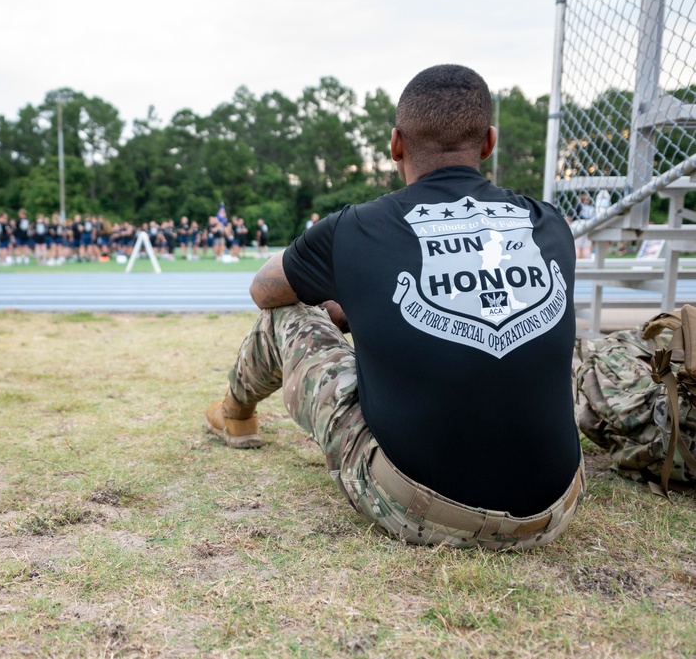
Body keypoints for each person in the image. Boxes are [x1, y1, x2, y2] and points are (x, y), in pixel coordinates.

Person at [204, 65, 583, 549]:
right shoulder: (548, 221)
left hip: (421, 508)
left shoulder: (355, 228)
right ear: (488, 143)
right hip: (553, 510)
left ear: (395, 145)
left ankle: (235, 413)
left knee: (287, 313)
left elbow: (264, 290)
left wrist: (347, 303)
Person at [570, 191, 595, 259]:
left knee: (576, 246)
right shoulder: (592, 207)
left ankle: (577, 264)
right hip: (588, 224)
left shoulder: (578, 206)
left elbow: (570, 217)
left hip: (577, 224)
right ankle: (586, 266)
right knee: (586, 248)